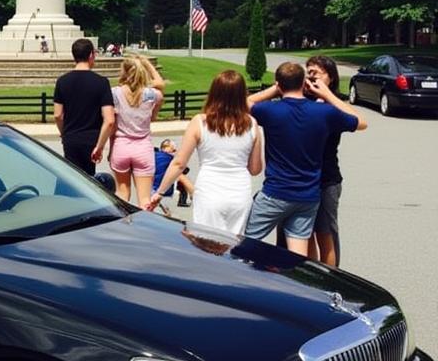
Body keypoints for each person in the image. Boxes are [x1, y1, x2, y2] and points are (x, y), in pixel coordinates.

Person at [244, 61, 366, 256]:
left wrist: (275, 90)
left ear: (279, 84)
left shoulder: (270, 110)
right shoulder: (324, 113)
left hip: (275, 193)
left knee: (246, 245)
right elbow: (360, 122)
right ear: (303, 83)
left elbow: (245, 104)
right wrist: (327, 94)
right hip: (308, 196)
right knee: (297, 257)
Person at [148, 70, 263, 233]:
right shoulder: (252, 124)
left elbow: (179, 163)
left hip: (210, 191)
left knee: (206, 243)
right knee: (232, 245)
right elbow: (255, 168)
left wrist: (160, 192)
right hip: (239, 193)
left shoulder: (200, 122)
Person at [305, 55, 346, 266]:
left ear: (330, 77)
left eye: (316, 73)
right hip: (303, 179)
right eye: (308, 72)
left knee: (326, 232)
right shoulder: (301, 100)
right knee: (306, 232)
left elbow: (357, 120)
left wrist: (326, 94)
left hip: (327, 178)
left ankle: (332, 278)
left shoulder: (336, 104)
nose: (311, 77)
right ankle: (312, 279)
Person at [52, 38, 114, 177]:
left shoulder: (62, 81)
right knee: (88, 182)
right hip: (91, 139)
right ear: (91, 55)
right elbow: (109, 120)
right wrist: (100, 146)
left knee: (72, 178)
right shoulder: (101, 82)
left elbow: (58, 115)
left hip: (71, 137)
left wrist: (64, 133)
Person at [108, 55, 164, 204]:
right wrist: (147, 64)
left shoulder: (115, 93)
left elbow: (112, 126)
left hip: (121, 145)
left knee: (122, 193)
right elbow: (160, 84)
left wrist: (110, 149)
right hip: (143, 146)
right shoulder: (151, 95)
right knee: (145, 199)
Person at [152, 138, 194, 211]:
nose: (174, 152)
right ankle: (192, 197)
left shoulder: (154, 155)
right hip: (164, 192)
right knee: (181, 177)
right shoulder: (170, 159)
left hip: (150, 191)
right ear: (166, 148)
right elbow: (184, 170)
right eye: (173, 150)